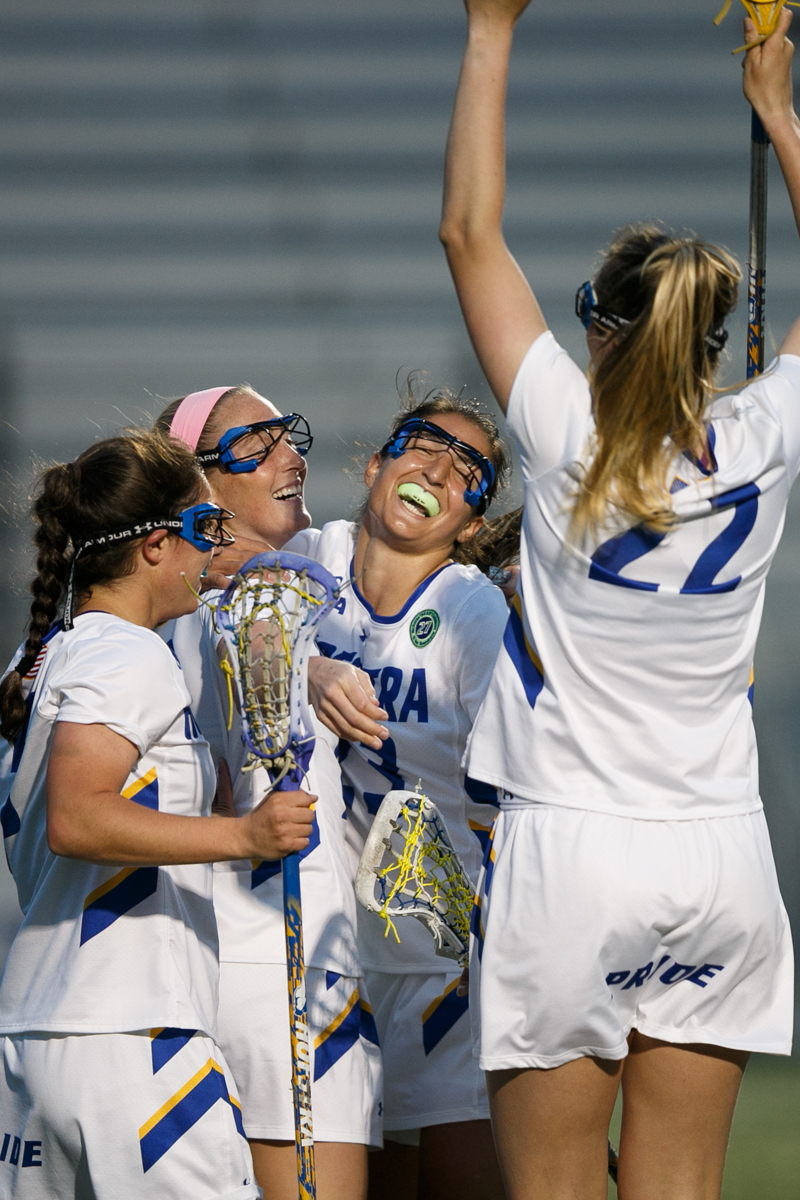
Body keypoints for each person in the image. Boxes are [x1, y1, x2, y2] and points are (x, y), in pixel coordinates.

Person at [439, 5, 800, 1199]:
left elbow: (467, 232)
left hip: (573, 846)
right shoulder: (762, 439)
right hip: (721, 856)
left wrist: (489, 28)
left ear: (596, 331)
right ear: (709, 345)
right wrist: (779, 114)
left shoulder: (560, 431)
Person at [0, 429, 315, 1200]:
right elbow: (77, 819)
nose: (215, 549)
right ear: (151, 547)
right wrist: (244, 835)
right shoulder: (129, 653)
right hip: (130, 1041)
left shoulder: (34, 660)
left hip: (36, 1038)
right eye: (204, 529)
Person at [155, 387, 383, 1200]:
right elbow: (242, 631)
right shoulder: (200, 597)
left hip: (223, 954)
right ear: (198, 484)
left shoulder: (307, 559)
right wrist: (300, 666)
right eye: (256, 445)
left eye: (291, 436)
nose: (291, 457)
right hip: (275, 952)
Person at [287, 386, 512, 1200]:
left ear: (472, 524)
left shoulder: (471, 609)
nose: (441, 467)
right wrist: (301, 666)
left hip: (441, 968)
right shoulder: (310, 554)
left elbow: (515, 796)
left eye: (469, 471)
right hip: (327, 959)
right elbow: (211, 611)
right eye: (424, 444)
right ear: (379, 461)